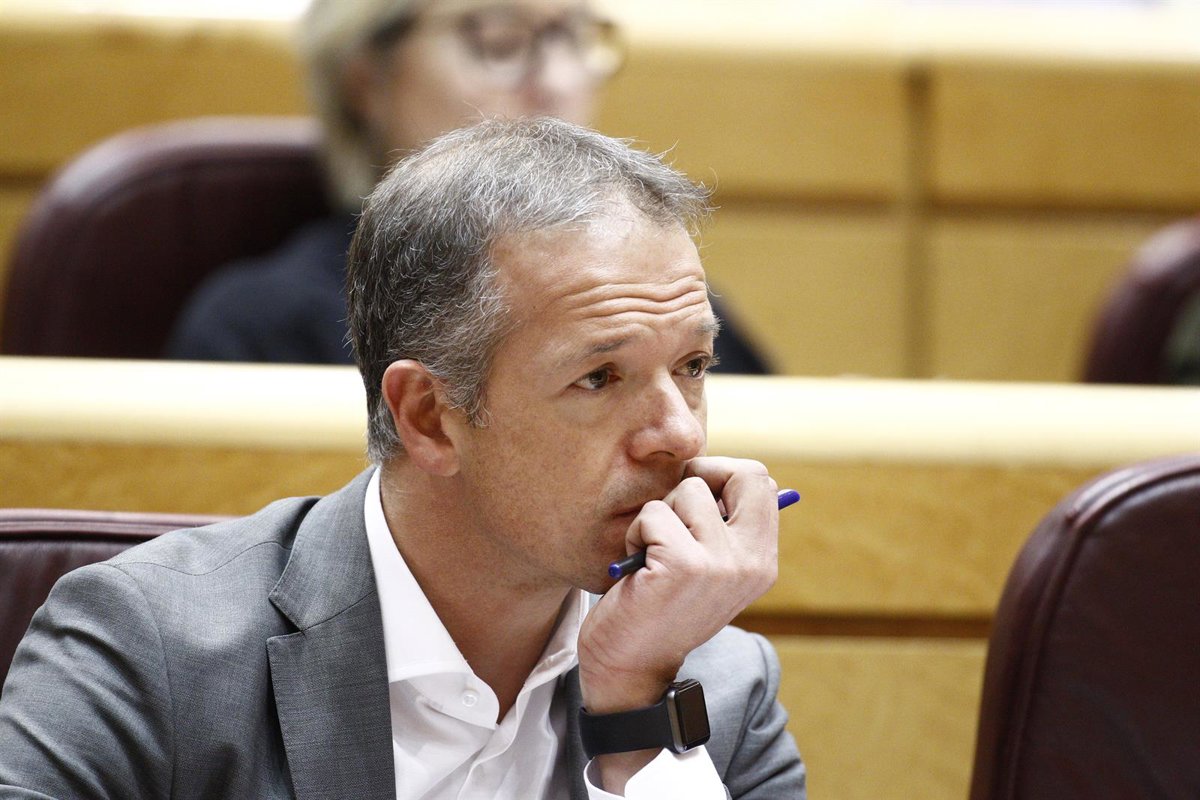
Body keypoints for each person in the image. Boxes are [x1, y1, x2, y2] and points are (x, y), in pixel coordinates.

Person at [0, 119, 805, 798]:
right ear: (427, 417)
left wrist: (636, 716)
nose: (680, 434)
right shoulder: (153, 650)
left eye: (692, 366)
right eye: (599, 377)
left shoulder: (717, 685)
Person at [165, 0, 771, 374]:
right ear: (366, 79)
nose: (556, 81)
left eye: (574, 35)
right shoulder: (259, 331)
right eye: (500, 38)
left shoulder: (673, 310)